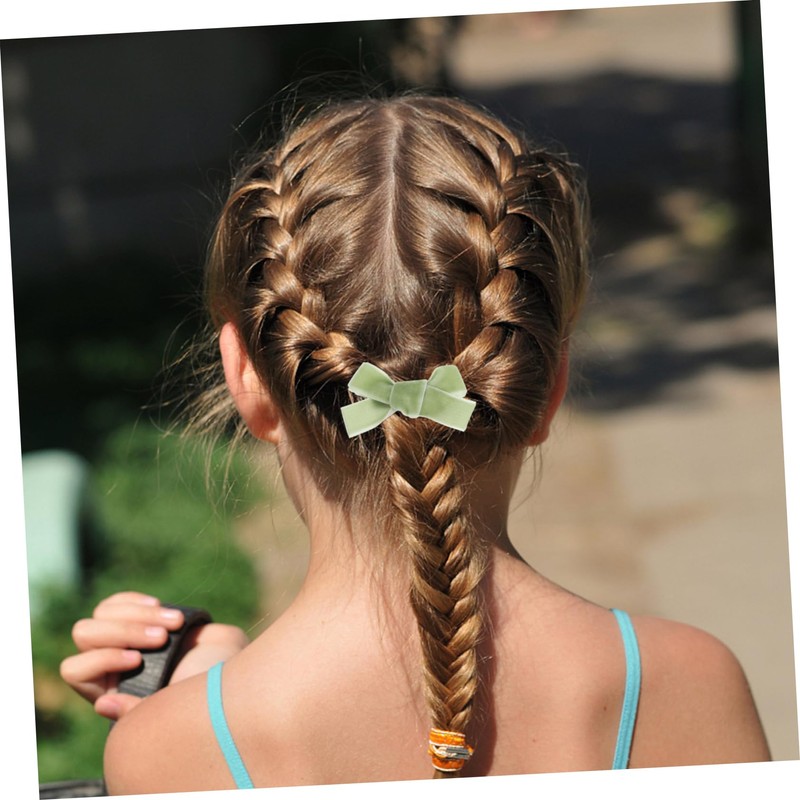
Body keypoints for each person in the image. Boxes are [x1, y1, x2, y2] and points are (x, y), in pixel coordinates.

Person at [59, 94, 770, 793]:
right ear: (547, 384)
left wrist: (200, 699)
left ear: (245, 377)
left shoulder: (170, 754)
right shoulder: (687, 692)